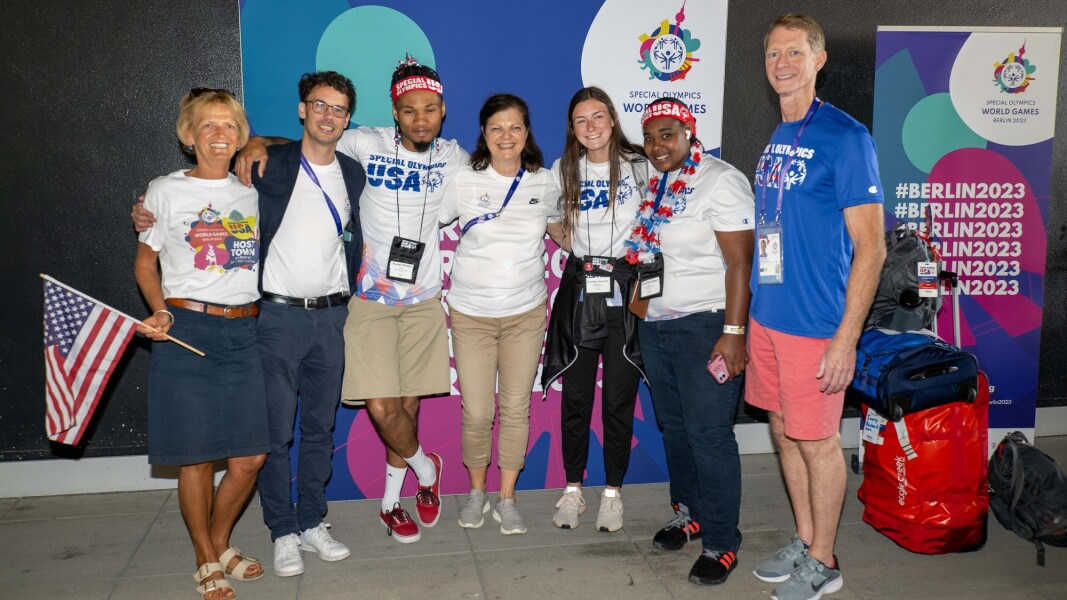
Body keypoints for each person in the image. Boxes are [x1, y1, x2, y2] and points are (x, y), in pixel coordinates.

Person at [134, 73, 365, 578]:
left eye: (339, 109)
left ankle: (307, 523)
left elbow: (281, 149)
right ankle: (277, 531)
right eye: (319, 106)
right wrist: (146, 224)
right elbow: (149, 253)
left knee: (306, 435)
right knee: (260, 439)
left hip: (316, 318)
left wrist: (257, 140)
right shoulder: (243, 173)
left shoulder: (337, 174)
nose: (329, 116)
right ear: (302, 109)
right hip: (265, 318)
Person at [237, 57, 467, 544]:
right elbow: (312, 144)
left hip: (424, 301)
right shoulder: (366, 142)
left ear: (443, 111)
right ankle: (428, 470)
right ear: (395, 112)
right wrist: (259, 142)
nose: (420, 118)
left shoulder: (456, 157)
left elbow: (502, 172)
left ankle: (390, 503)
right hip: (367, 300)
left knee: (407, 409)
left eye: (430, 109)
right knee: (382, 409)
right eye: (409, 110)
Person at [746, 14, 886, 600]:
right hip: (768, 319)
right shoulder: (779, 134)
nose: (783, 63)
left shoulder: (846, 137)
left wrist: (845, 338)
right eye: (774, 53)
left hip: (815, 329)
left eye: (795, 52)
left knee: (818, 442)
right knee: (784, 431)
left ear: (818, 59)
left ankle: (825, 560)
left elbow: (872, 249)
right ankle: (806, 541)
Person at [134, 88, 268, 600]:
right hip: (186, 328)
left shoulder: (253, 192)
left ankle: (217, 542)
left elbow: (297, 148)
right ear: (189, 137)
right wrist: (160, 308)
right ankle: (206, 559)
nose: (220, 135)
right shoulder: (163, 192)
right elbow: (146, 263)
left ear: (242, 136)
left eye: (230, 126)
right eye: (208, 126)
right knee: (195, 458)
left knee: (250, 457)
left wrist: (264, 142)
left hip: (245, 330)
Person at [631, 97, 754, 586]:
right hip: (657, 325)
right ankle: (690, 513)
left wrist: (733, 333)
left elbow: (741, 263)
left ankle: (723, 541)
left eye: (667, 134)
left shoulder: (721, 180)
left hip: (706, 327)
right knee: (675, 428)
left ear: (688, 132)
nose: (658, 145)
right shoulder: (655, 182)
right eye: (650, 136)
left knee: (709, 435)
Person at [440, 94, 564, 535]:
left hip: (525, 314)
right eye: (496, 128)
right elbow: (423, 218)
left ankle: (507, 498)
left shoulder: (546, 182)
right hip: (471, 313)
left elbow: (561, 229)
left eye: (514, 127)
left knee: (515, 409)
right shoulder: (463, 181)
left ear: (526, 133)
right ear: (484, 134)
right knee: (476, 412)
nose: (506, 136)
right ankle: (476, 492)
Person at [542, 87, 647, 532]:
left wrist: (630, 258)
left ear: (612, 119)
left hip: (626, 292)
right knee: (578, 398)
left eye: (598, 117)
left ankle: (612, 494)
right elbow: (550, 218)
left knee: (619, 399)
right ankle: (572, 491)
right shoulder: (564, 169)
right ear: (573, 127)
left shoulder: (640, 165)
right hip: (582, 291)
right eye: (581, 120)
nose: (591, 127)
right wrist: (580, 253)